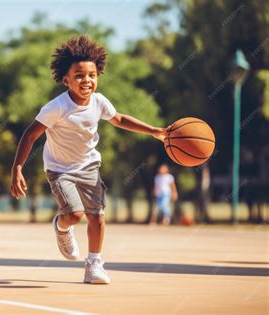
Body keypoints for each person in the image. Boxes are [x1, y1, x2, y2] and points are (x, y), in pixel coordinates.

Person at [10, 35, 167, 284]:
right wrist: (17, 168)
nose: (87, 80)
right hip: (59, 168)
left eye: (92, 75)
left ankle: (94, 264)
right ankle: (62, 227)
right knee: (74, 214)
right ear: (66, 80)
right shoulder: (56, 107)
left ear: (98, 76)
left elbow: (120, 119)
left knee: (97, 216)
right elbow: (30, 135)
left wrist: (154, 131)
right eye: (79, 75)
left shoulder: (99, 102)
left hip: (89, 165)